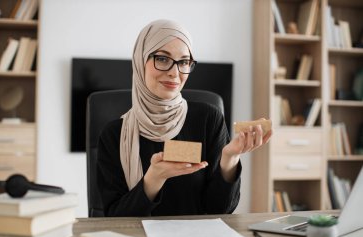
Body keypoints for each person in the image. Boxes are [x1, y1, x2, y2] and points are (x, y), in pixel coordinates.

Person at [97, 19, 272, 217]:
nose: (175, 73)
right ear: (140, 61)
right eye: (162, 59)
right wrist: (153, 179)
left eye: (184, 62)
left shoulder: (209, 119)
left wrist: (230, 158)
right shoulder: (114, 135)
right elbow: (114, 218)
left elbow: (220, 211)